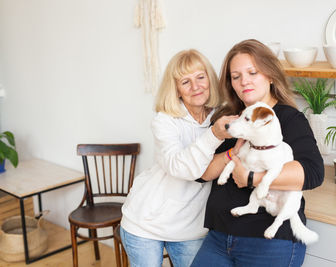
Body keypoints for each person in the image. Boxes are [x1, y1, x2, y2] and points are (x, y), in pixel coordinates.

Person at [191, 39, 324, 267]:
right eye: (236, 76)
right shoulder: (228, 119)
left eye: (253, 72)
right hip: (219, 236)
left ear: (270, 75)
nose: (244, 81)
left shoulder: (289, 119)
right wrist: (233, 150)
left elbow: (312, 172)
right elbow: (201, 172)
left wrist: (251, 178)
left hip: (268, 240)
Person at [120, 49, 236, 267]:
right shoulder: (165, 121)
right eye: (185, 82)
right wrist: (213, 136)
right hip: (145, 223)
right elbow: (180, 167)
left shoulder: (220, 116)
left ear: (209, 79)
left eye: (200, 77)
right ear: (176, 90)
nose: (195, 87)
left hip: (192, 229)